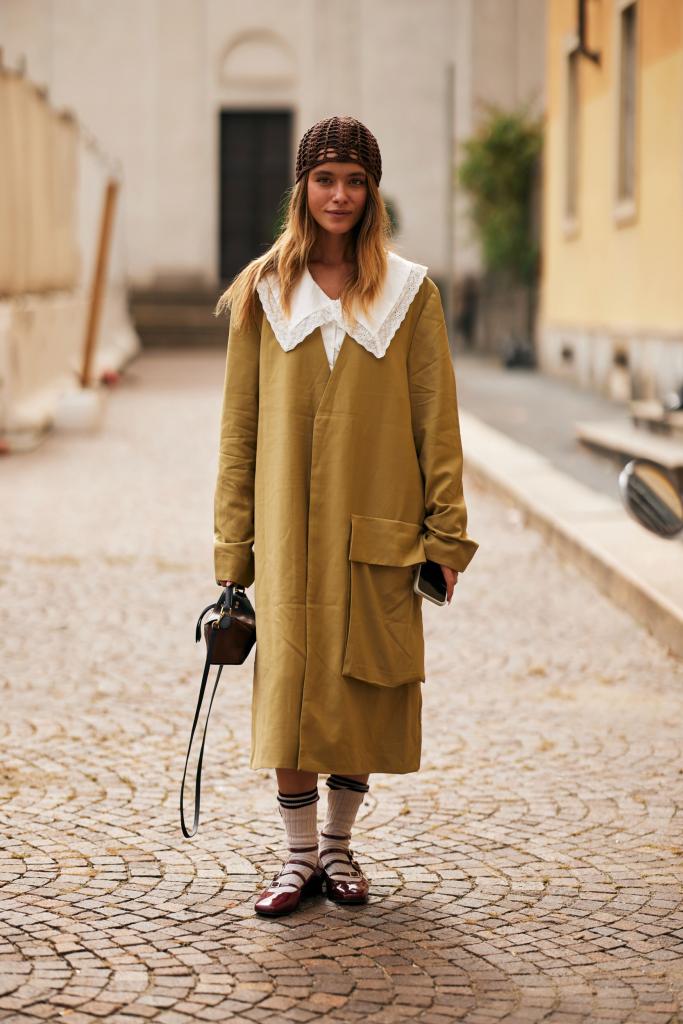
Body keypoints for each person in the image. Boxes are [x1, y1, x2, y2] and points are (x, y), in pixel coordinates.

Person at [213, 114, 479, 918]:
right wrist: (234, 552)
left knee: (362, 691)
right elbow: (239, 428)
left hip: (378, 532)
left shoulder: (409, 293)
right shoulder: (265, 290)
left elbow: (436, 420)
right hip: (290, 539)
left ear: (372, 192)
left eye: (354, 180)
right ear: (302, 189)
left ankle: (339, 849)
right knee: (291, 695)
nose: (339, 195)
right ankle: (296, 861)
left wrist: (445, 536)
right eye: (325, 178)